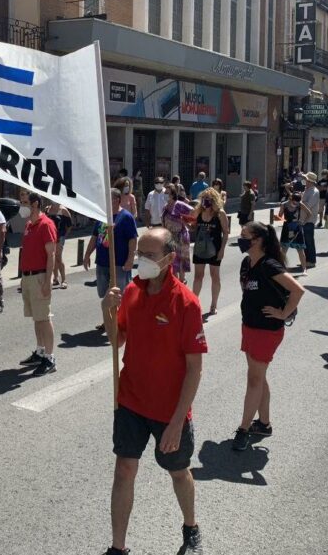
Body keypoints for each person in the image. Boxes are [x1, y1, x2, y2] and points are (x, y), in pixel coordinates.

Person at [101, 228, 207, 555]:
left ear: (169, 259)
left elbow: (194, 368)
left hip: (169, 411)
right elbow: (116, 340)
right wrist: (107, 309)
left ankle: (191, 528)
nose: (141, 261)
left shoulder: (186, 303)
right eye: (140, 255)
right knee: (124, 469)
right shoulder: (132, 290)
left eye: (149, 255)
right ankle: (118, 547)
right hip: (131, 400)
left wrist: (177, 422)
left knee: (178, 472)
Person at [232, 222, 304, 451]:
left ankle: (243, 429)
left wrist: (283, 314)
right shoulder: (246, 263)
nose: (241, 239)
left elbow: (298, 290)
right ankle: (263, 423)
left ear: (258, 240)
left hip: (267, 329)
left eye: (245, 235)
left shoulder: (270, 265)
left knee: (254, 379)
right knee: (259, 377)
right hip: (250, 326)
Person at [17, 193, 58, 376]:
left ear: (35, 204)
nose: (22, 206)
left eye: (25, 203)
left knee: (44, 318)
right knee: (36, 317)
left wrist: (48, 281)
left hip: (40, 277)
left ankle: (50, 358)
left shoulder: (46, 224)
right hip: (28, 277)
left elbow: (51, 255)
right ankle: (40, 351)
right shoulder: (28, 225)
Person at [84, 188, 139, 326]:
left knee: (118, 294)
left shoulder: (126, 217)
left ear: (116, 199)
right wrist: (86, 255)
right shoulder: (101, 217)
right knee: (104, 292)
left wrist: (130, 259)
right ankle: (110, 318)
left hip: (119, 263)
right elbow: (95, 237)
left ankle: (115, 321)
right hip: (102, 262)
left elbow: (133, 239)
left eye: (108, 198)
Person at [190, 187, 230, 315]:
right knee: (198, 276)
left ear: (214, 200)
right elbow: (192, 226)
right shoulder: (198, 211)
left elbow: (226, 232)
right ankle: (194, 303)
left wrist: (222, 250)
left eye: (208, 199)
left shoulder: (220, 213)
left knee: (215, 276)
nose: (205, 201)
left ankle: (214, 304)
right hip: (200, 247)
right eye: (204, 199)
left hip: (215, 247)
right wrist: (188, 222)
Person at [162, 184, 194, 283]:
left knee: (182, 258)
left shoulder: (179, 204)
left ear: (172, 194)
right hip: (170, 236)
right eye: (164, 193)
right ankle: (175, 281)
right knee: (173, 259)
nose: (165, 195)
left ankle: (182, 280)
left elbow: (193, 211)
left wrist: (185, 222)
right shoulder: (165, 207)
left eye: (167, 193)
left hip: (181, 235)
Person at [277, 191, 310, 274]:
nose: (295, 203)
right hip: (287, 227)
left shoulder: (300, 204)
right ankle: (281, 268)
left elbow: (309, 213)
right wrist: (278, 216)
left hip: (297, 227)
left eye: (297, 201)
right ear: (291, 198)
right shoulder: (284, 204)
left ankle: (304, 269)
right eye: (294, 201)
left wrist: (303, 222)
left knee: (300, 250)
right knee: (284, 249)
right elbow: (280, 216)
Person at [47, 201, 73, 289]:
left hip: (59, 237)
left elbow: (69, 225)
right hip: (50, 237)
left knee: (58, 257)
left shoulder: (63, 210)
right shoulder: (48, 209)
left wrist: (64, 236)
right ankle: (55, 278)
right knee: (52, 257)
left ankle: (64, 280)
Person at [301, 173, 320, 268]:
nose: (304, 181)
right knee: (304, 241)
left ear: (310, 181)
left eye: (306, 179)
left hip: (309, 220)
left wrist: (299, 202)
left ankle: (311, 260)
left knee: (309, 241)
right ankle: (307, 259)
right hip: (303, 219)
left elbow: (308, 205)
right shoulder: (307, 190)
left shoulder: (314, 192)